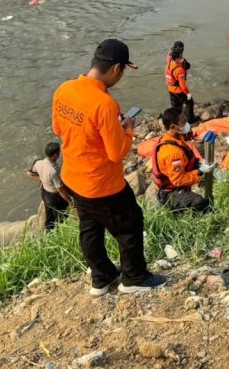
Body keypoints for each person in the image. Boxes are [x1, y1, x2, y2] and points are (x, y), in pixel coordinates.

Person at [52, 39, 165, 295]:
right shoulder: (105, 105)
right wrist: (127, 130)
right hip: (102, 184)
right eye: (123, 71)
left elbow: (58, 129)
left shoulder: (64, 89)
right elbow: (116, 153)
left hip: (73, 177)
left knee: (90, 228)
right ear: (116, 69)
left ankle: (101, 278)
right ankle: (133, 278)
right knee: (130, 225)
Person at [151, 107, 214, 213]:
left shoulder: (172, 136)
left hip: (175, 179)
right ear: (173, 126)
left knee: (199, 164)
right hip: (169, 192)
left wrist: (199, 137)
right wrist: (199, 175)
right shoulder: (172, 153)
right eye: (183, 122)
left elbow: (187, 136)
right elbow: (178, 180)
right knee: (200, 202)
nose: (187, 124)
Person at [27, 142, 72, 231]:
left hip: (45, 194)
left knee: (49, 217)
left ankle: (48, 231)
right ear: (55, 155)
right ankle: (61, 230)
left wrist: (42, 179)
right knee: (61, 216)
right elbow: (60, 190)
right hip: (55, 197)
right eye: (59, 153)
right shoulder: (53, 170)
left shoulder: (38, 163)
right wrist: (70, 201)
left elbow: (29, 173)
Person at [165, 44, 197, 124]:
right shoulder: (179, 70)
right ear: (179, 56)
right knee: (190, 103)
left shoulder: (168, 65)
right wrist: (188, 93)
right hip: (179, 91)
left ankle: (176, 121)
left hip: (170, 89)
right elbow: (182, 85)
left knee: (175, 106)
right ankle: (191, 120)